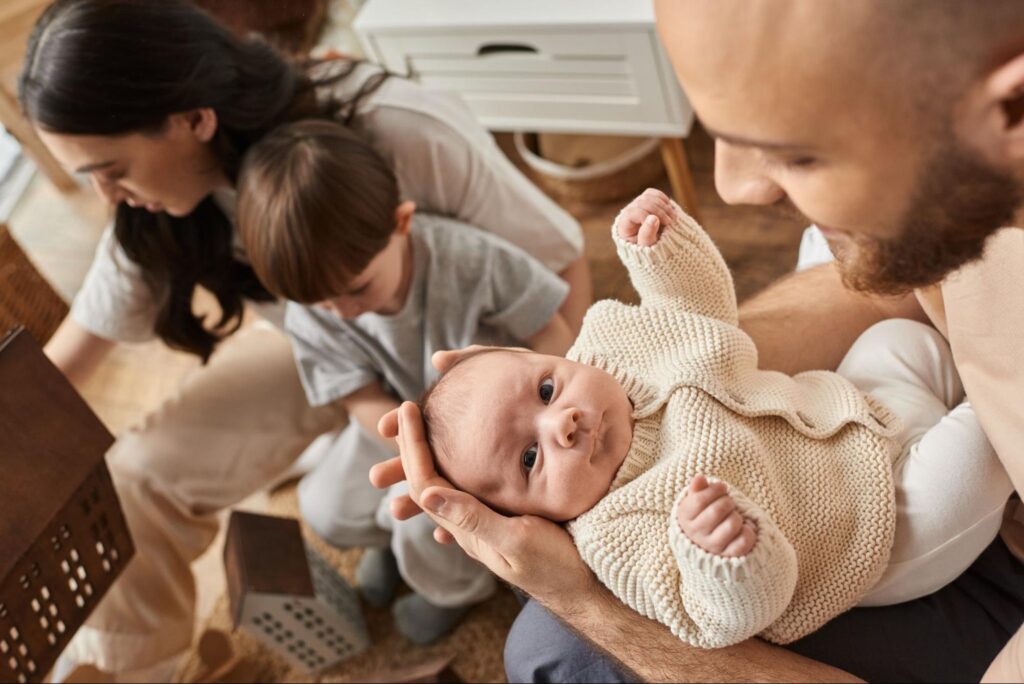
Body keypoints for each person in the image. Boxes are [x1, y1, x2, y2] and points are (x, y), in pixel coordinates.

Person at [369, 1, 1024, 681]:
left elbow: (696, 311)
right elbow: (706, 325)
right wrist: (713, 557)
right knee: (544, 644)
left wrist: (583, 600)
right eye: (531, 454)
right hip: (855, 487)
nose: (732, 187)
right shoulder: (618, 520)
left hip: (877, 499)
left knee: (556, 653)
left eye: (795, 148)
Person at [19, 0, 589, 677]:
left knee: (424, 503)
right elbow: (58, 374)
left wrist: (544, 438)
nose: (106, 195)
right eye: (88, 176)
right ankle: (137, 671)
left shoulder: (393, 130)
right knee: (134, 478)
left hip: (471, 343)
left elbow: (560, 265)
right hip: (339, 353)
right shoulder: (153, 219)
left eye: (111, 168)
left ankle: (443, 571)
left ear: (193, 119)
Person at [417, 189, 1011, 649]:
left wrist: (660, 251)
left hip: (852, 412)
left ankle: (970, 371)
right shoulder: (615, 536)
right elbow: (719, 621)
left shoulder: (616, 348)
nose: (562, 424)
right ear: (528, 519)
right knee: (989, 430)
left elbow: (699, 311)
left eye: (546, 388)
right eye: (530, 458)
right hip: (879, 533)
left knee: (899, 339)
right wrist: (725, 558)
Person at [235, 119, 574, 644]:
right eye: (323, 302)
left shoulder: (469, 260)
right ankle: (390, 547)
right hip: (393, 425)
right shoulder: (314, 311)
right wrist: (412, 442)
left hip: (490, 432)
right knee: (325, 505)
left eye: (355, 290)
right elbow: (360, 399)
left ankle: (451, 591)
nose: (342, 312)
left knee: (422, 523)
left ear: (401, 223)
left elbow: (550, 327)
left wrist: (544, 393)